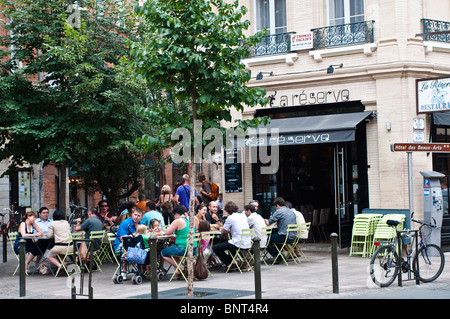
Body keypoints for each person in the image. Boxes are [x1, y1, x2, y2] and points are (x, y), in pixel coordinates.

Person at [212, 201, 251, 270]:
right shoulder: (242, 216)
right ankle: (233, 262)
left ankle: (229, 262)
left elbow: (223, 231)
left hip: (238, 242)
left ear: (227, 211)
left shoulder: (230, 218)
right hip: (247, 242)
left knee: (215, 247)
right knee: (228, 243)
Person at [160, 205, 197, 277]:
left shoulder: (177, 221)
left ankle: (180, 267)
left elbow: (167, 232)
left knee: (163, 253)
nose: (173, 216)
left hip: (183, 249)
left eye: (174, 215)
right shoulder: (191, 219)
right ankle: (178, 271)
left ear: (176, 213)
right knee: (175, 251)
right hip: (194, 249)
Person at [264, 197, 297, 263]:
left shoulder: (279, 211)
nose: (275, 208)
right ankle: (280, 255)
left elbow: (268, 223)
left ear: (277, 205)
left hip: (284, 237)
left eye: (275, 206)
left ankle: (278, 255)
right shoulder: (292, 212)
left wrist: (265, 220)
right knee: (275, 235)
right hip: (293, 237)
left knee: (265, 239)